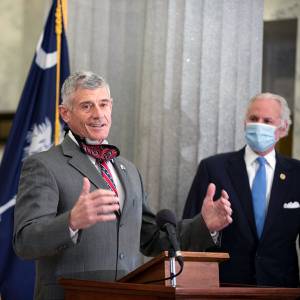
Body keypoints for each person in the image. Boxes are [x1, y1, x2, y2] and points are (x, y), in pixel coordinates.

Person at [13, 71, 232, 300]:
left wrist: (204, 225)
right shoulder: (43, 165)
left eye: (103, 104)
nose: (98, 114)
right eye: (87, 106)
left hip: (129, 295)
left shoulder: (129, 170)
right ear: (65, 113)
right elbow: (25, 241)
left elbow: (150, 238)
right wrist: (71, 221)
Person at [183, 92, 300, 287]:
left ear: (283, 128)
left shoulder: (297, 174)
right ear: (245, 123)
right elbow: (188, 232)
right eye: (253, 119)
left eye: (267, 121)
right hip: (225, 286)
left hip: (281, 288)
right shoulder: (213, 168)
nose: (259, 125)